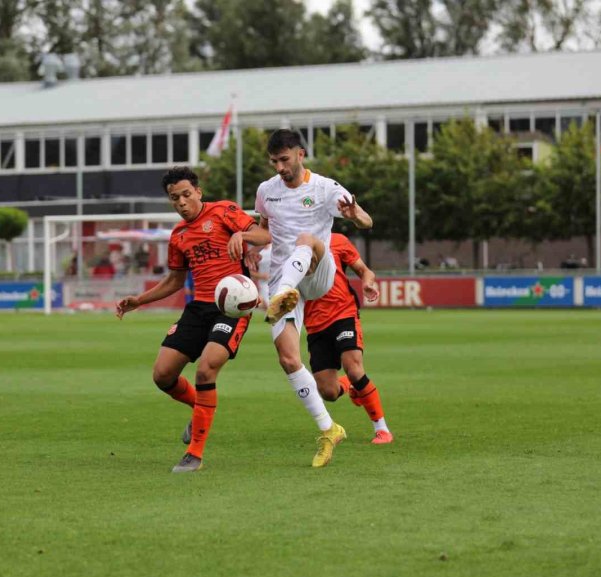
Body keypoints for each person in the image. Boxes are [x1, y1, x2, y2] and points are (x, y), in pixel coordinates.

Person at [115, 166, 269, 473]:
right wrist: (139, 301)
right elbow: (174, 281)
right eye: (175, 198)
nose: (182, 202)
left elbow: (265, 234)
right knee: (162, 375)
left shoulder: (224, 212)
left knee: (206, 369)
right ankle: (201, 407)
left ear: (198, 191)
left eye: (187, 194)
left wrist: (242, 234)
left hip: (232, 307)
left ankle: (194, 453)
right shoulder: (178, 236)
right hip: (198, 308)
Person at [248, 129, 373, 468]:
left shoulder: (326, 188)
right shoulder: (266, 192)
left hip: (318, 273)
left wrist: (355, 216)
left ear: (300, 154)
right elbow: (264, 230)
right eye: (273, 161)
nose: (279, 167)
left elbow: (365, 219)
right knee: (288, 359)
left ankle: (285, 292)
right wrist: (245, 239)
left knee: (308, 239)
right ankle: (329, 430)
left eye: (284, 160)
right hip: (282, 281)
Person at [302, 233, 393, 444]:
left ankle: (382, 429)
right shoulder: (292, 245)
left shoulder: (337, 240)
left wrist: (368, 283)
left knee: (353, 367)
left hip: (343, 313)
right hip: (315, 324)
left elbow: (364, 270)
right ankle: (351, 385)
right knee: (329, 392)